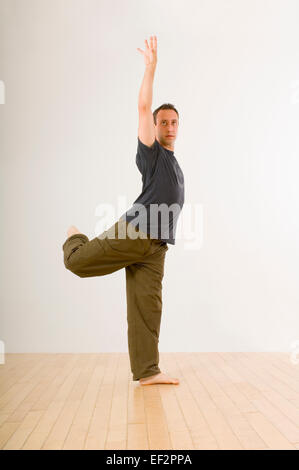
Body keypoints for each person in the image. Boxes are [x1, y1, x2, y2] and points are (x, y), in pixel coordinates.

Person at [62, 36, 184, 385]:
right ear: (156, 128)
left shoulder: (175, 163)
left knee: (147, 311)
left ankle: (148, 372)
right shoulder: (152, 154)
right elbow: (143, 108)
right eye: (164, 122)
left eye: (174, 122)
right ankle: (76, 237)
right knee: (77, 263)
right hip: (135, 232)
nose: (169, 126)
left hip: (157, 246)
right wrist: (150, 69)